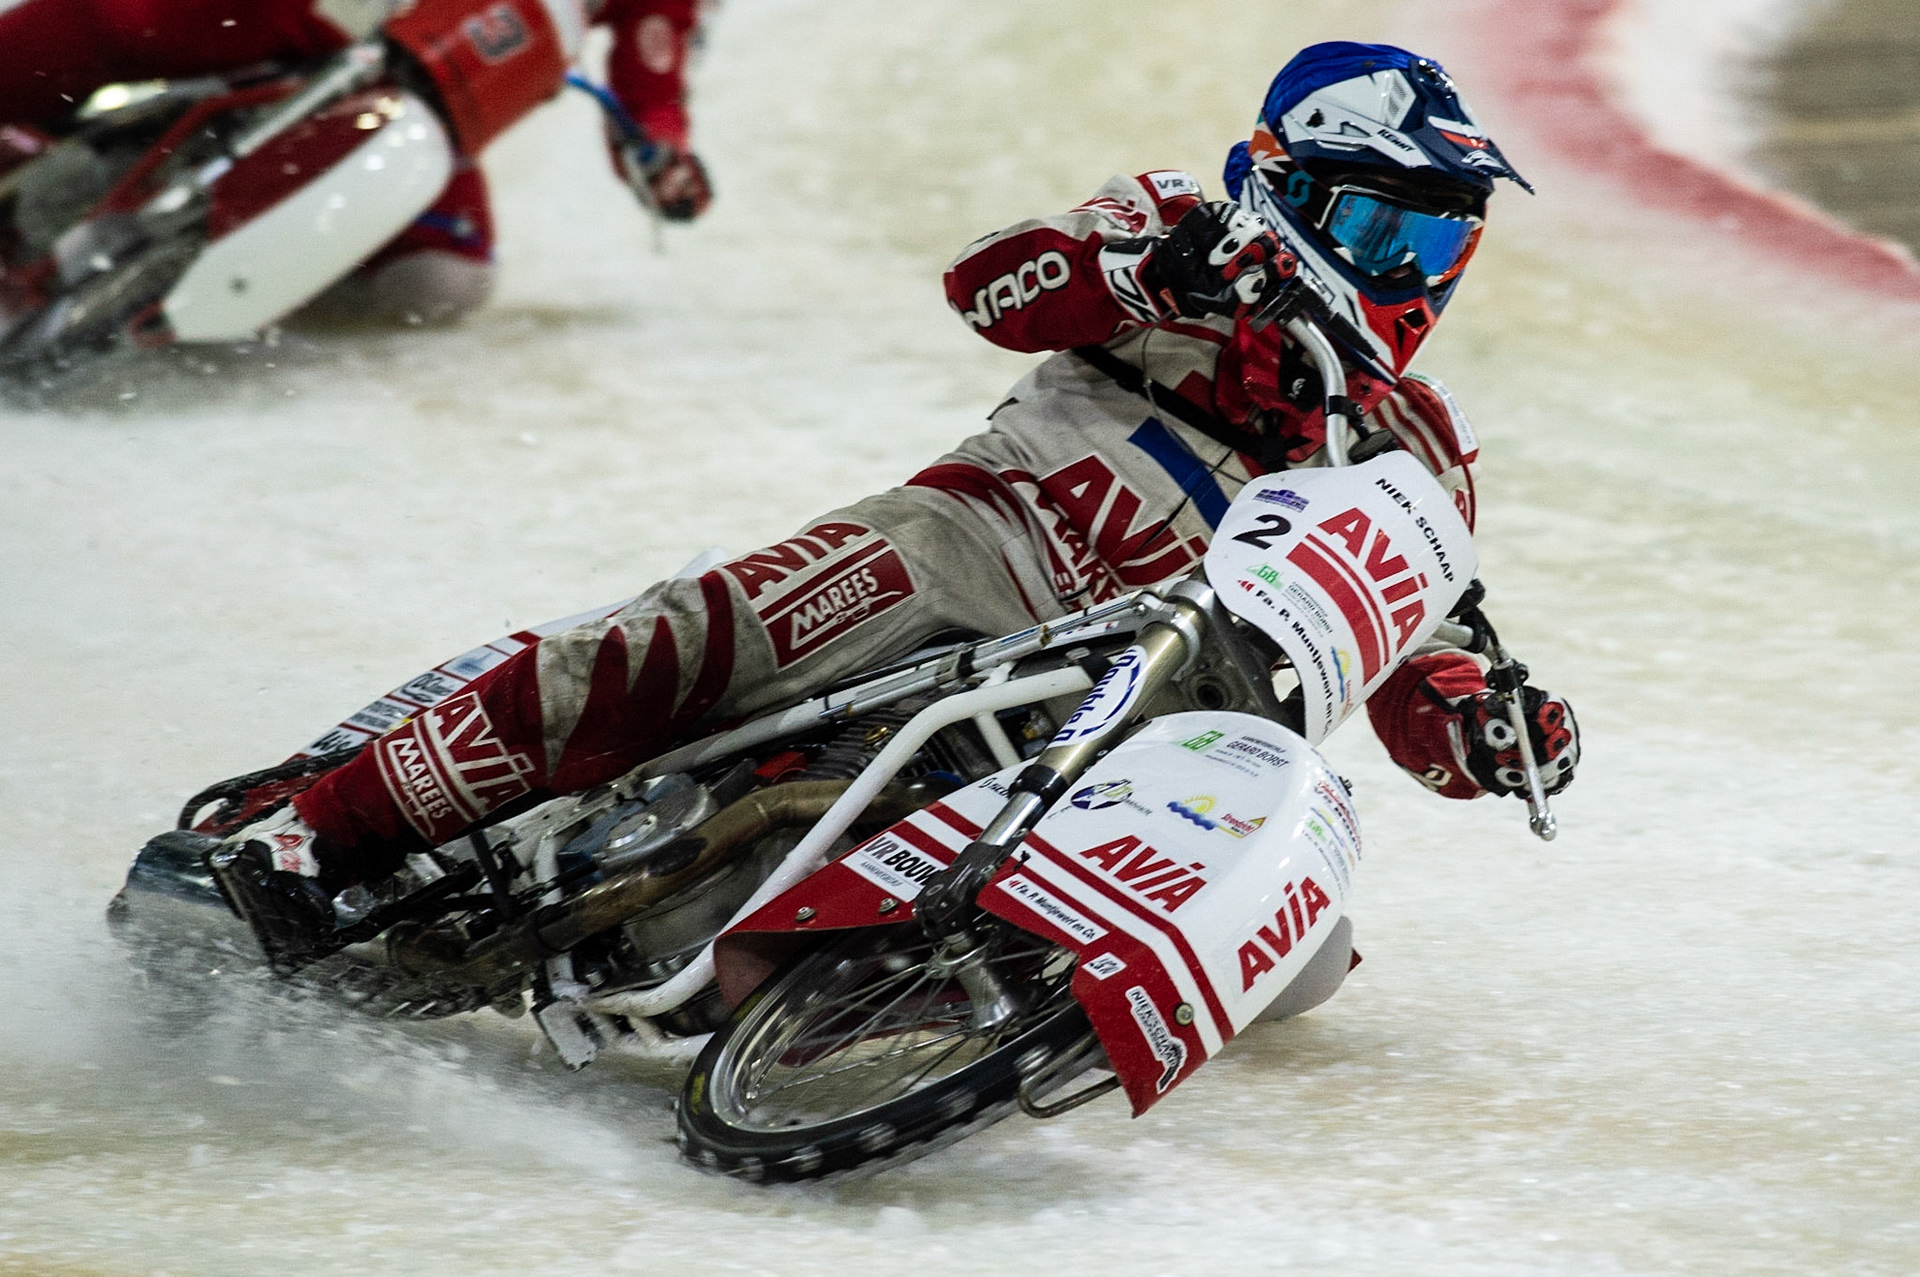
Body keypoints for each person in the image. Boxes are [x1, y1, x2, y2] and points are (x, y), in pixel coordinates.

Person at [208, 41, 1581, 968]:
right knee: (695, 638)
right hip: (978, 549)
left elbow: (1409, 641)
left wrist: (1485, 726)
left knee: (1309, 953)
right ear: (1290, 188)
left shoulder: (1417, 441)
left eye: (1443, 239)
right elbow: (991, 288)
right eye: (1390, 227)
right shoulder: (1185, 229)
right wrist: (1163, 275)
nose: (1418, 273)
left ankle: (840, 1020)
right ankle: (318, 827)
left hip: (1138, 717)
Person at [0, 0, 712, 324]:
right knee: (120, 19)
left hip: (411, 99)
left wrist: (664, 155)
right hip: (298, 17)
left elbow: (652, 87)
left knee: (440, 279)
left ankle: (222, 286)